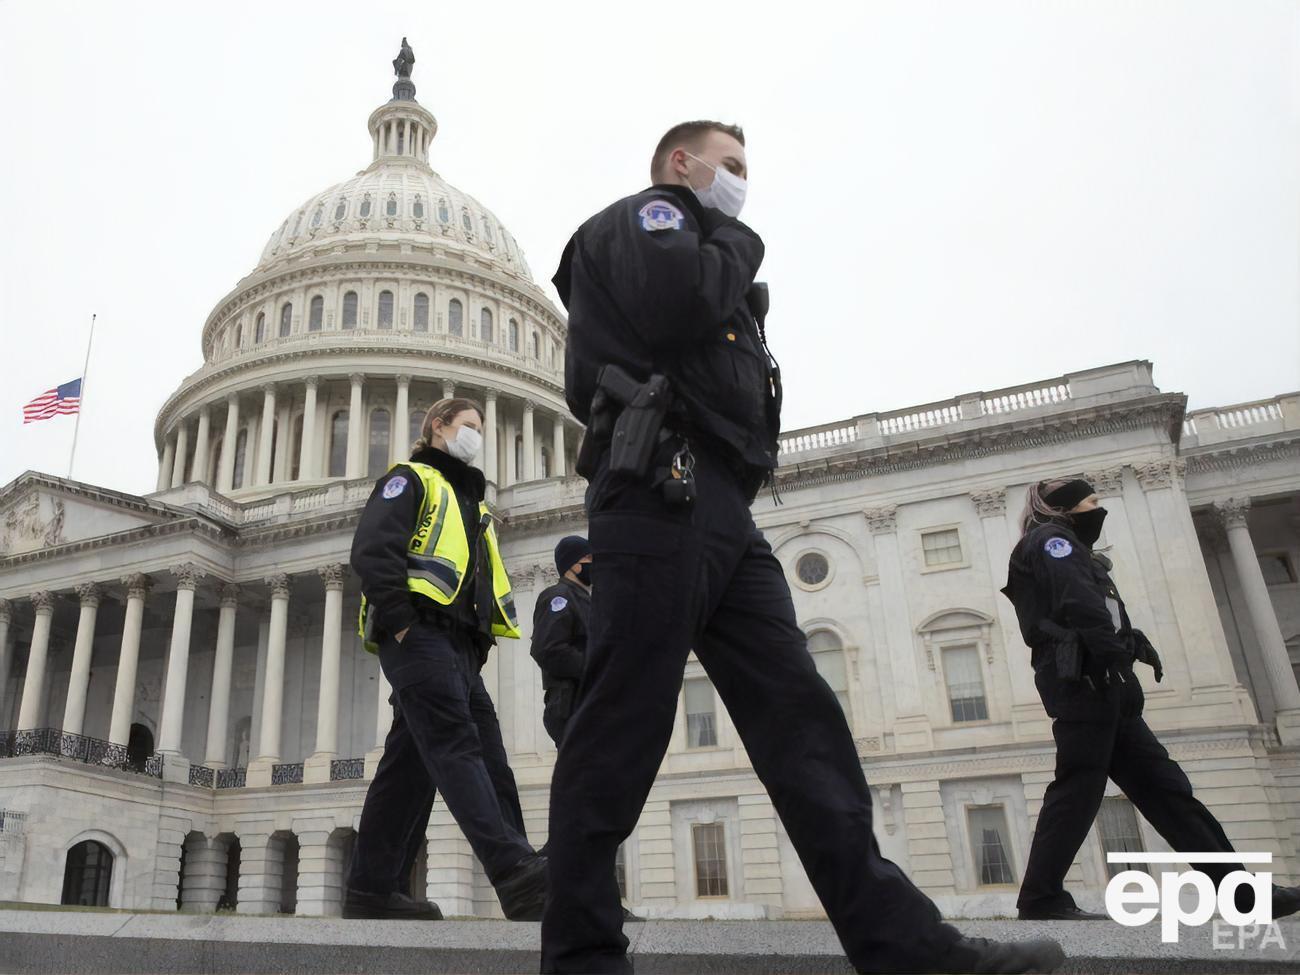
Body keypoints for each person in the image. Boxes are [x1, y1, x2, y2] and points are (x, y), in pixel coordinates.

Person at [539, 119, 1065, 974]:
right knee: (621, 723)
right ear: (681, 163)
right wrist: (739, 240)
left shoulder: (705, 250)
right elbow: (676, 306)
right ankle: (581, 955)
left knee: (803, 721)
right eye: (730, 164)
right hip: (657, 489)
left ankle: (906, 949)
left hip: (721, 507)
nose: (742, 181)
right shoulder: (649, 219)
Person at [1003, 478, 1300, 922]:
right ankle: (1040, 898)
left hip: (1098, 682)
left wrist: (1131, 643)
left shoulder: (1066, 546)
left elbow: (1095, 611)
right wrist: (1115, 663)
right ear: (1066, 508)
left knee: (1165, 790)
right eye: (1090, 500)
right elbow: (1079, 605)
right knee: (1079, 788)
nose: (1098, 507)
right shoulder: (1052, 542)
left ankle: (1241, 894)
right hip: (1086, 683)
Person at [344, 398, 548, 921]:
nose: (477, 436)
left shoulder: (473, 503)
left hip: (459, 648)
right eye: (469, 426)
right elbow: (373, 551)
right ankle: (517, 874)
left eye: (481, 429)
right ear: (438, 426)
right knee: (458, 746)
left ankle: (372, 892)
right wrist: (402, 622)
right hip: (419, 635)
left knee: (420, 766)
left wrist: (478, 645)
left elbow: (479, 581)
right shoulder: (410, 479)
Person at [530, 535, 594, 747]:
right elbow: (548, 649)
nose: (594, 564)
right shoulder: (559, 597)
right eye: (588, 558)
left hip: (591, 700)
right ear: (573, 565)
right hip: (572, 703)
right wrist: (595, 667)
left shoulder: (588, 602)